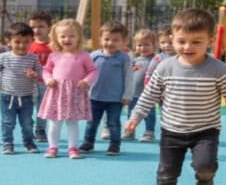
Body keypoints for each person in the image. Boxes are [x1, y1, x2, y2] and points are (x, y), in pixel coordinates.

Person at [125, 8, 226, 185]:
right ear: (171, 40)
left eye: (196, 42)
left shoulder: (217, 69)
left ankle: (205, 181)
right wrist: (136, 116)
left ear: (210, 41)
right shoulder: (165, 67)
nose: (188, 47)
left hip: (205, 131)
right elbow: (150, 95)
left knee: (204, 165)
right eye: (182, 41)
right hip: (171, 131)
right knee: (167, 172)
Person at [38, 18, 97, 159]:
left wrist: (86, 81)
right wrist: (48, 79)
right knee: (54, 122)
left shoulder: (84, 55)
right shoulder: (54, 55)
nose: (67, 39)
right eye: (63, 36)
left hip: (74, 93)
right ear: (57, 38)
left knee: (72, 122)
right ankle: (53, 147)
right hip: (57, 92)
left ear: (79, 38)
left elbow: (93, 71)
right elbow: (46, 70)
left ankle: (73, 148)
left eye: (72, 36)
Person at [0, 22, 43, 155]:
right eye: (17, 42)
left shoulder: (33, 58)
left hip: (27, 97)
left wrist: (35, 75)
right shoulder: (4, 57)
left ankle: (29, 142)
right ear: (8, 41)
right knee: (8, 122)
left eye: (26, 42)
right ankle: (7, 143)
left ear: (32, 41)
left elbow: (42, 73)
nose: (22, 45)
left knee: (27, 123)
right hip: (7, 97)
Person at [79, 21, 133, 156]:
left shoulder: (123, 58)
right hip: (94, 97)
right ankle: (88, 143)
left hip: (115, 99)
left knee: (113, 123)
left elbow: (128, 77)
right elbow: (86, 73)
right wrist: (83, 87)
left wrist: (127, 95)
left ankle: (114, 145)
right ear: (101, 39)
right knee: (91, 122)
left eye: (115, 40)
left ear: (123, 41)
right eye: (107, 39)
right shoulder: (94, 56)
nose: (110, 43)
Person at [123, 28, 157, 142]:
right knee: (131, 113)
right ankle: (130, 131)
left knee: (149, 114)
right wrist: (132, 69)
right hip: (134, 93)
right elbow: (128, 73)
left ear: (154, 45)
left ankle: (149, 132)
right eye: (139, 45)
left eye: (146, 45)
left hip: (149, 94)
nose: (143, 48)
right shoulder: (134, 60)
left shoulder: (155, 60)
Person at [28, 11, 53, 143]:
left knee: (43, 107)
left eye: (41, 26)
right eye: (33, 27)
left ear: (49, 27)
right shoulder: (28, 45)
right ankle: (28, 127)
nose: (36, 30)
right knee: (27, 106)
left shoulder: (54, 46)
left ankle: (40, 129)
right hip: (30, 83)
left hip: (46, 83)